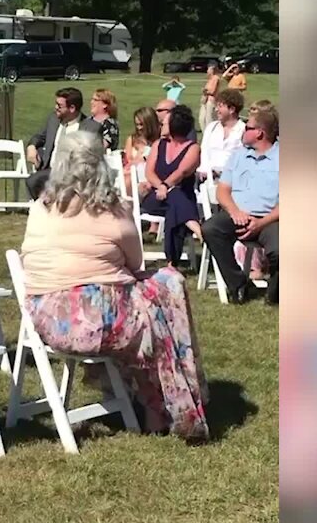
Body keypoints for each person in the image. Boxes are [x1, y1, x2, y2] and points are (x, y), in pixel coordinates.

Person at [19, 131, 208, 440]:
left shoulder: (40, 207)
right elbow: (136, 264)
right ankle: (169, 405)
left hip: (48, 319)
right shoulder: (112, 209)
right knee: (167, 289)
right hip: (98, 325)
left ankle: (149, 402)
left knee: (148, 300)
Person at [201, 107, 279, 305]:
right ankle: (239, 285)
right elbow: (223, 190)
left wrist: (261, 223)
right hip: (236, 216)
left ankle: (275, 294)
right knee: (211, 229)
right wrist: (235, 212)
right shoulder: (238, 156)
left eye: (248, 128)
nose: (243, 130)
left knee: (282, 248)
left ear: (259, 133)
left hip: (270, 219)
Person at [142, 105, 203, 264]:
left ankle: (171, 262)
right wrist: (161, 186)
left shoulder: (193, 148)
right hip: (156, 198)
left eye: (165, 123)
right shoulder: (158, 145)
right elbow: (149, 172)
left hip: (182, 198)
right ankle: (196, 227)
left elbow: (182, 172)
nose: (161, 125)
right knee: (174, 197)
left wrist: (166, 186)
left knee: (174, 204)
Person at [25, 87, 100, 198]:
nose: (56, 108)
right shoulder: (53, 120)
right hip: (50, 171)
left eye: (59, 106)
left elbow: (91, 156)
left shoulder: (91, 127)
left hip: (75, 174)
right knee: (32, 181)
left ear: (72, 108)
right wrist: (31, 147)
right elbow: (38, 137)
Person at [199, 88, 246, 180]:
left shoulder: (243, 130)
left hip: (233, 181)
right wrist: (203, 170)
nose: (216, 109)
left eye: (220, 106)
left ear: (232, 109)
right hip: (208, 180)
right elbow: (204, 151)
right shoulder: (211, 127)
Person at [121, 105, 159, 195]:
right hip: (131, 175)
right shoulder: (132, 139)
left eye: (142, 124)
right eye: (137, 124)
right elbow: (128, 161)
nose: (139, 128)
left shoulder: (158, 141)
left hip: (148, 178)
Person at [200, 64, 221, 129]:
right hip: (205, 100)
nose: (207, 71)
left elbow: (212, 91)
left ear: (212, 70)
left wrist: (205, 91)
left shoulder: (216, 78)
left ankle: (210, 134)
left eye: (208, 69)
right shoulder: (210, 79)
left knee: (209, 119)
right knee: (202, 119)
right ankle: (205, 134)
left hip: (210, 100)